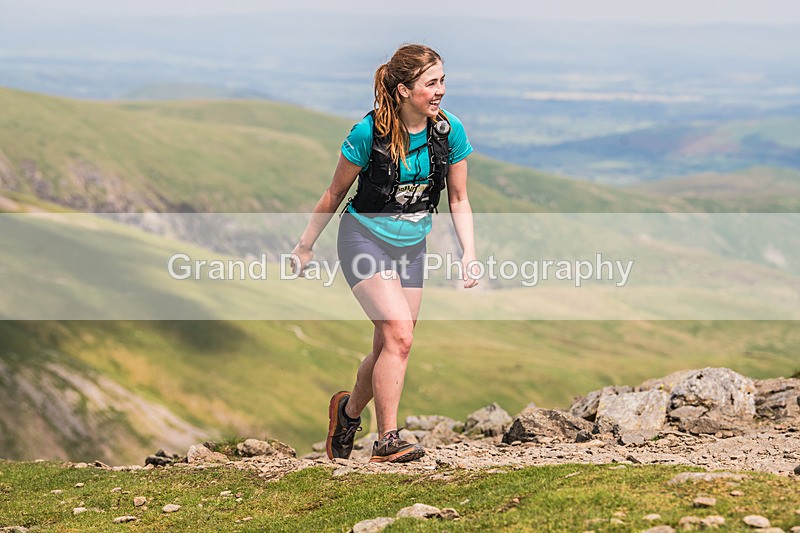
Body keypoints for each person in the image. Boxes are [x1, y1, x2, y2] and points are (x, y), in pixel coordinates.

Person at [290, 43, 478, 463]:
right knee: (400, 334)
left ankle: (348, 412)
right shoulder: (367, 134)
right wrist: (305, 246)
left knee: (388, 346)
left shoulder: (449, 132)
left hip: (412, 247)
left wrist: (469, 252)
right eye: (431, 83)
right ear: (403, 90)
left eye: (443, 80)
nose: (441, 91)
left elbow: (460, 198)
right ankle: (387, 440)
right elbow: (334, 193)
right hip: (363, 239)